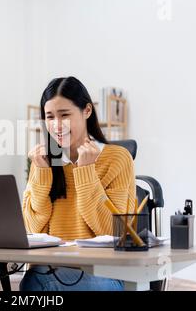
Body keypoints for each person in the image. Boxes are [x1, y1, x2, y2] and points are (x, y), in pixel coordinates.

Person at [20, 77, 136, 291]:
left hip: (105, 273)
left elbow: (114, 233)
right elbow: (31, 231)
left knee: (37, 283)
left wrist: (85, 171)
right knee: (37, 280)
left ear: (87, 111)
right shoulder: (43, 162)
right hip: (51, 270)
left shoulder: (117, 158)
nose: (56, 125)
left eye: (64, 115)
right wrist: (42, 174)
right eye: (50, 117)